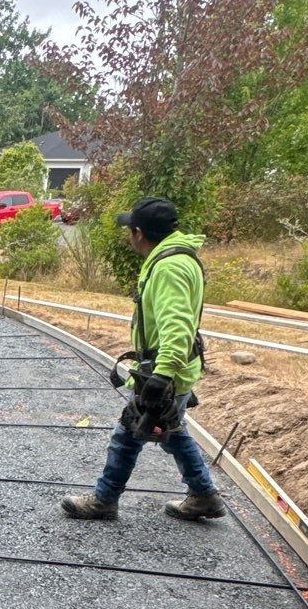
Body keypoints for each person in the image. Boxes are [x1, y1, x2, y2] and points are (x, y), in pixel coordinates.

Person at [62, 196, 226, 522]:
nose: (129, 236)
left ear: (139, 233)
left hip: (167, 371)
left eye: (130, 230)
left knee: (128, 434)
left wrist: (162, 375)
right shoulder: (177, 257)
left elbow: (177, 327)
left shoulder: (169, 268)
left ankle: (104, 500)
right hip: (170, 369)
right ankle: (204, 495)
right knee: (174, 433)